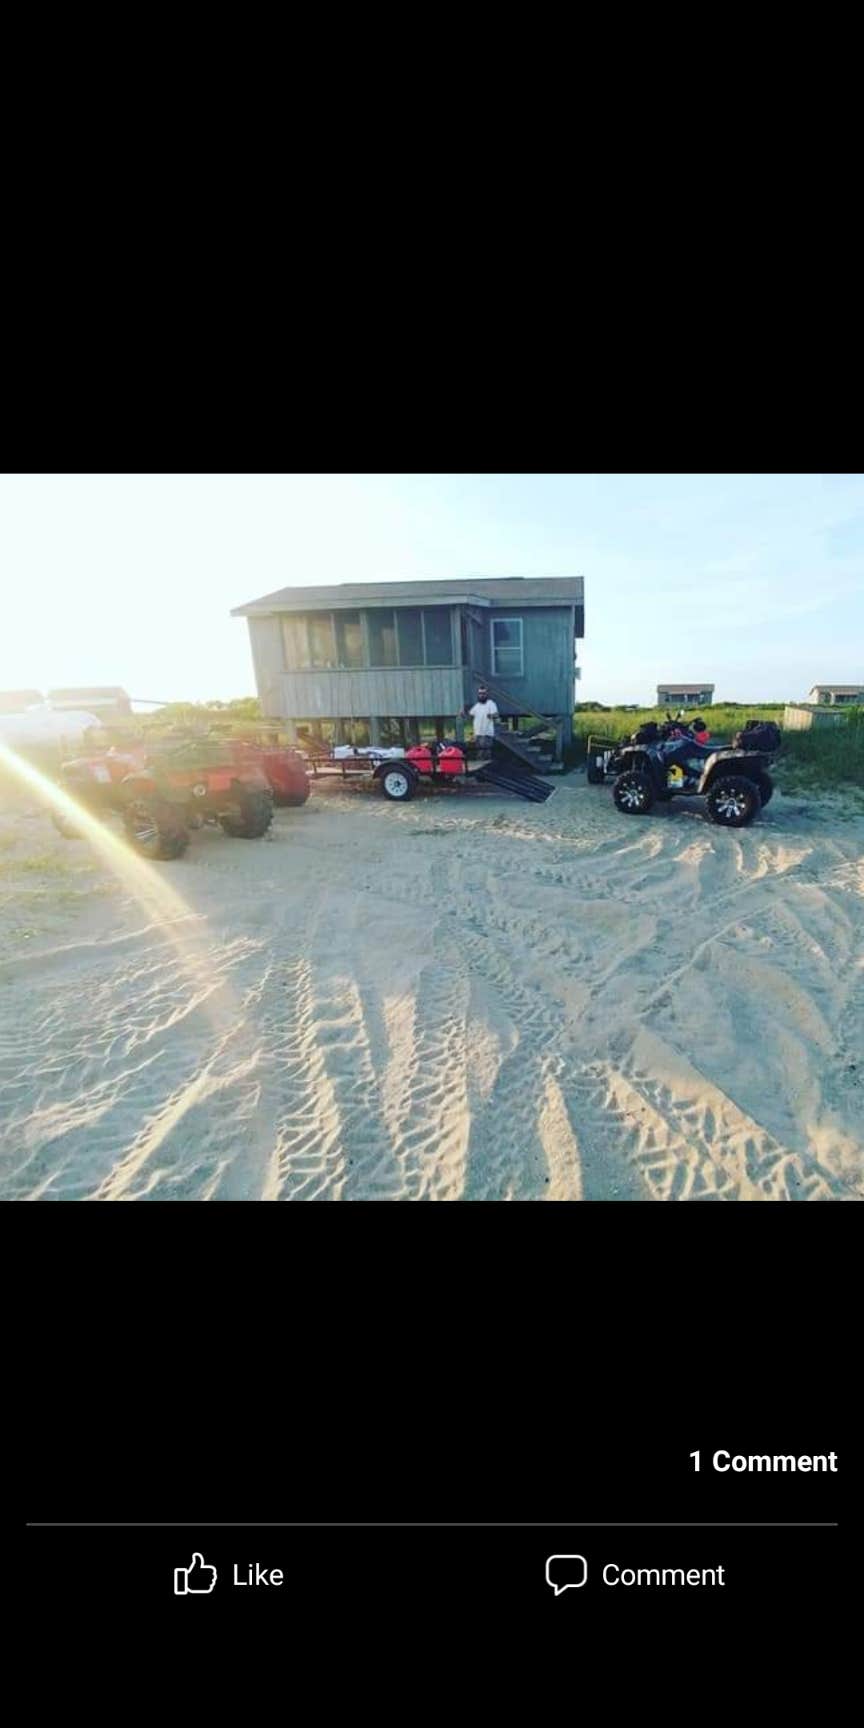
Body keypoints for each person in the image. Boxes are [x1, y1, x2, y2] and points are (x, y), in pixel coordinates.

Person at [463, 684, 499, 754]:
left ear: (486, 694)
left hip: (487, 734)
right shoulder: (477, 706)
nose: (481, 695)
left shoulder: (491, 704)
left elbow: (496, 714)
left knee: (486, 754)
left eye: (483, 693)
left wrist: (491, 715)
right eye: (480, 693)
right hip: (478, 734)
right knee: (479, 754)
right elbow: (469, 716)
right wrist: (463, 715)